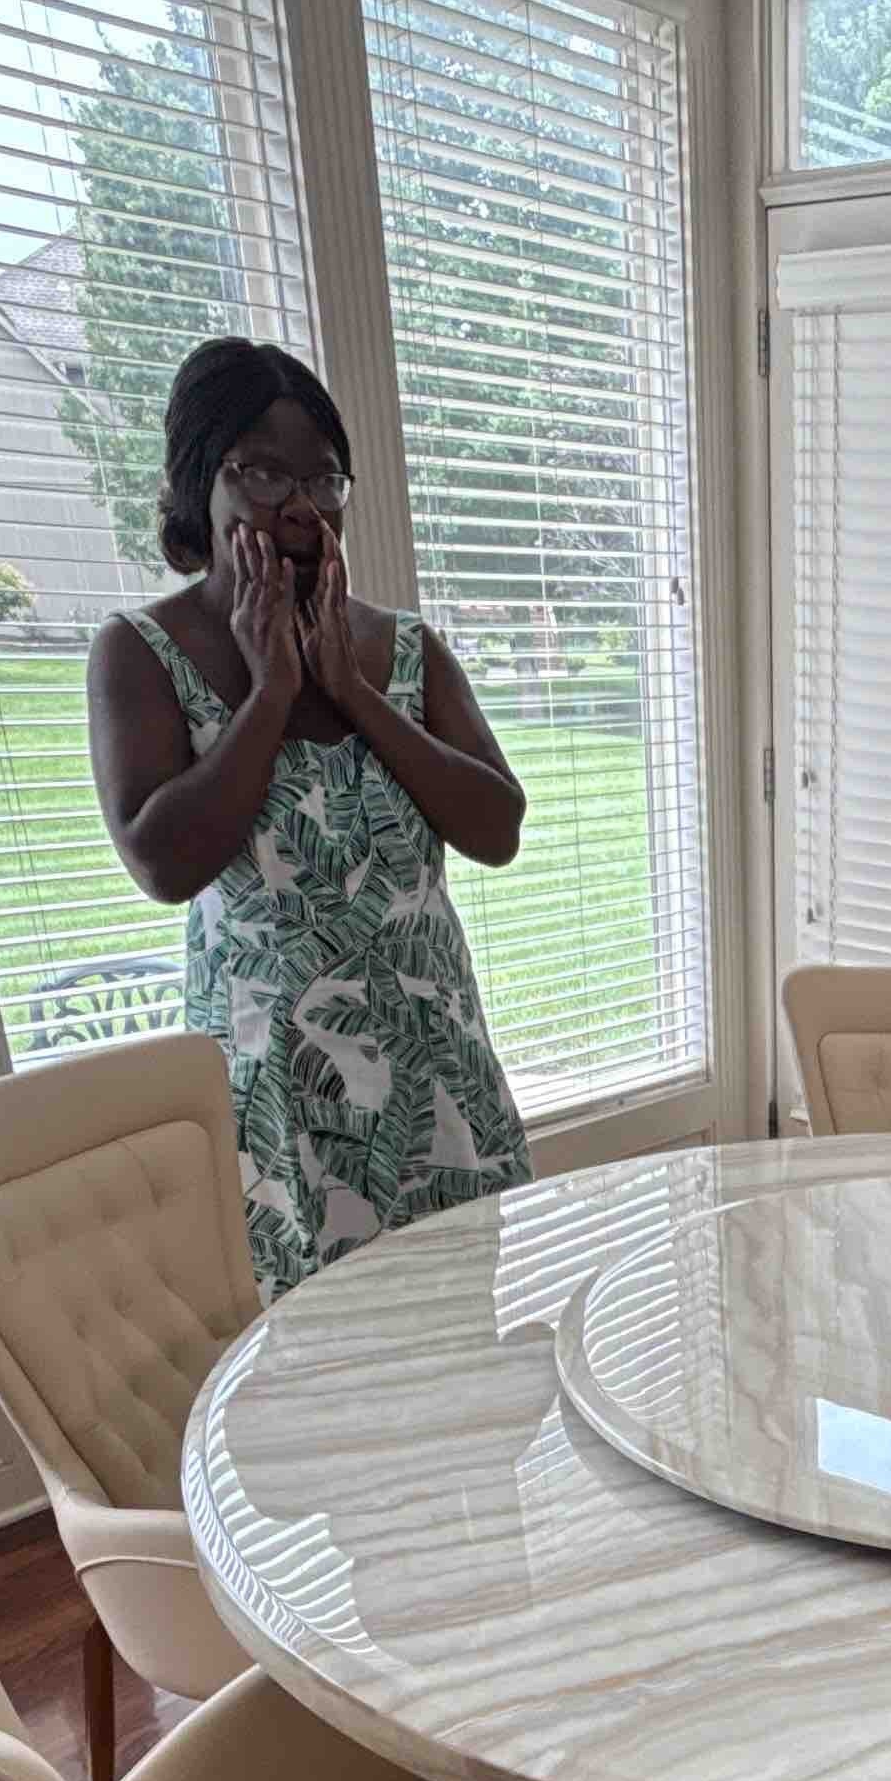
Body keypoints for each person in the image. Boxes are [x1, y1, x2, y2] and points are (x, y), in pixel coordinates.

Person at [88, 338, 532, 1298]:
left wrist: (355, 695)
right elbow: (164, 864)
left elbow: (497, 828)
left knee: (464, 1343)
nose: (298, 502)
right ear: (197, 481)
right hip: (283, 1100)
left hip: (435, 1074)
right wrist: (272, 693)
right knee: (309, 1376)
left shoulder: (402, 647)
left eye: (324, 477)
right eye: (258, 470)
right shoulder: (141, 653)